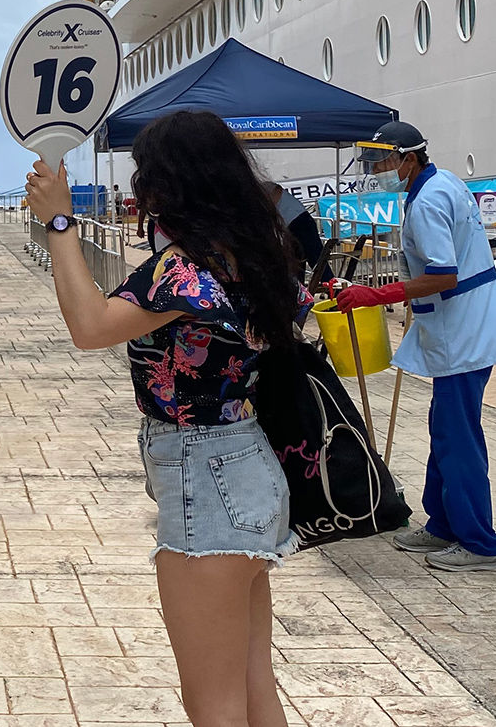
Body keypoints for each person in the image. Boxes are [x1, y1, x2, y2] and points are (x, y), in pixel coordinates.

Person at [27, 110, 302, 727]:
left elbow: (89, 326)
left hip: (206, 474)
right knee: (256, 688)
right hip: (250, 465)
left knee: (215, 706)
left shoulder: (183, 268)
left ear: (168, 185)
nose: (135, 192)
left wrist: (61, 223)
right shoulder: (255, 251)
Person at [335, 120, 496, 573]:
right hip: (460, 328)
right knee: (444, 428)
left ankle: (481, 544)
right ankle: (443, 524)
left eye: (381, 159)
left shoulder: (429, 201)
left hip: (465, 333)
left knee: (459, 439)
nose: (375, 168)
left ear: (409, 158)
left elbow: (443, 274)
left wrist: (373, 294)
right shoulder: (441, 183)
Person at [267, 181, 326, 282]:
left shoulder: (263, 187)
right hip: (290, 226)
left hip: (299, 220)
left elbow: (277, 190)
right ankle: (298, 290)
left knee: (316, 260)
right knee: (295, 263)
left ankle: (332, 286)